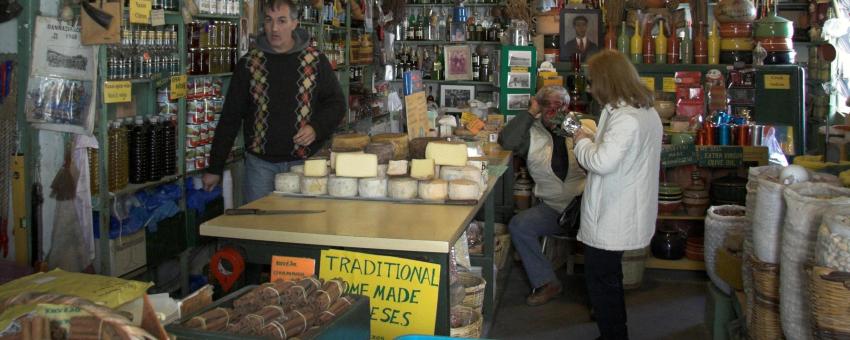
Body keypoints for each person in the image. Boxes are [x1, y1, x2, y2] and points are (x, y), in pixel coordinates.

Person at [203, 0, 346, 202]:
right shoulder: (249, 64)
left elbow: (337, 103)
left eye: (281, 20)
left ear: (295, 23)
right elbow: (230, 118)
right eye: (269, 21)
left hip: (305, 163)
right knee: (260, 228)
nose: (274, 28)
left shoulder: (315, 60)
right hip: (260, 165)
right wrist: (215, 167)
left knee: (305, 227)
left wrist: (316, 128)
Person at [572, 50, 662, 339]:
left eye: (592, 81)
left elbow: (601, 162)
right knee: (608, 277)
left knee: (602, 279)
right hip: (622, 206)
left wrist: (579, 141)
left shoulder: (626, 118)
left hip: (615, 211)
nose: (588, 87)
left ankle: (613, 336)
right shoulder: (643, 111)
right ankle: (613, 333)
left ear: (606, 80)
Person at [499, 86, 586, 306]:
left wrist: (575, 131)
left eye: (560, 105)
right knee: (520, 225)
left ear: (567, 108)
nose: (553, 110)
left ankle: (600, 295)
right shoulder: (530, 132)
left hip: (585, 205)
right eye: (548, 105)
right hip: (553, 208)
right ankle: (547, 282)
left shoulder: (582, 126)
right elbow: (507, 141)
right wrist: (531, 111)